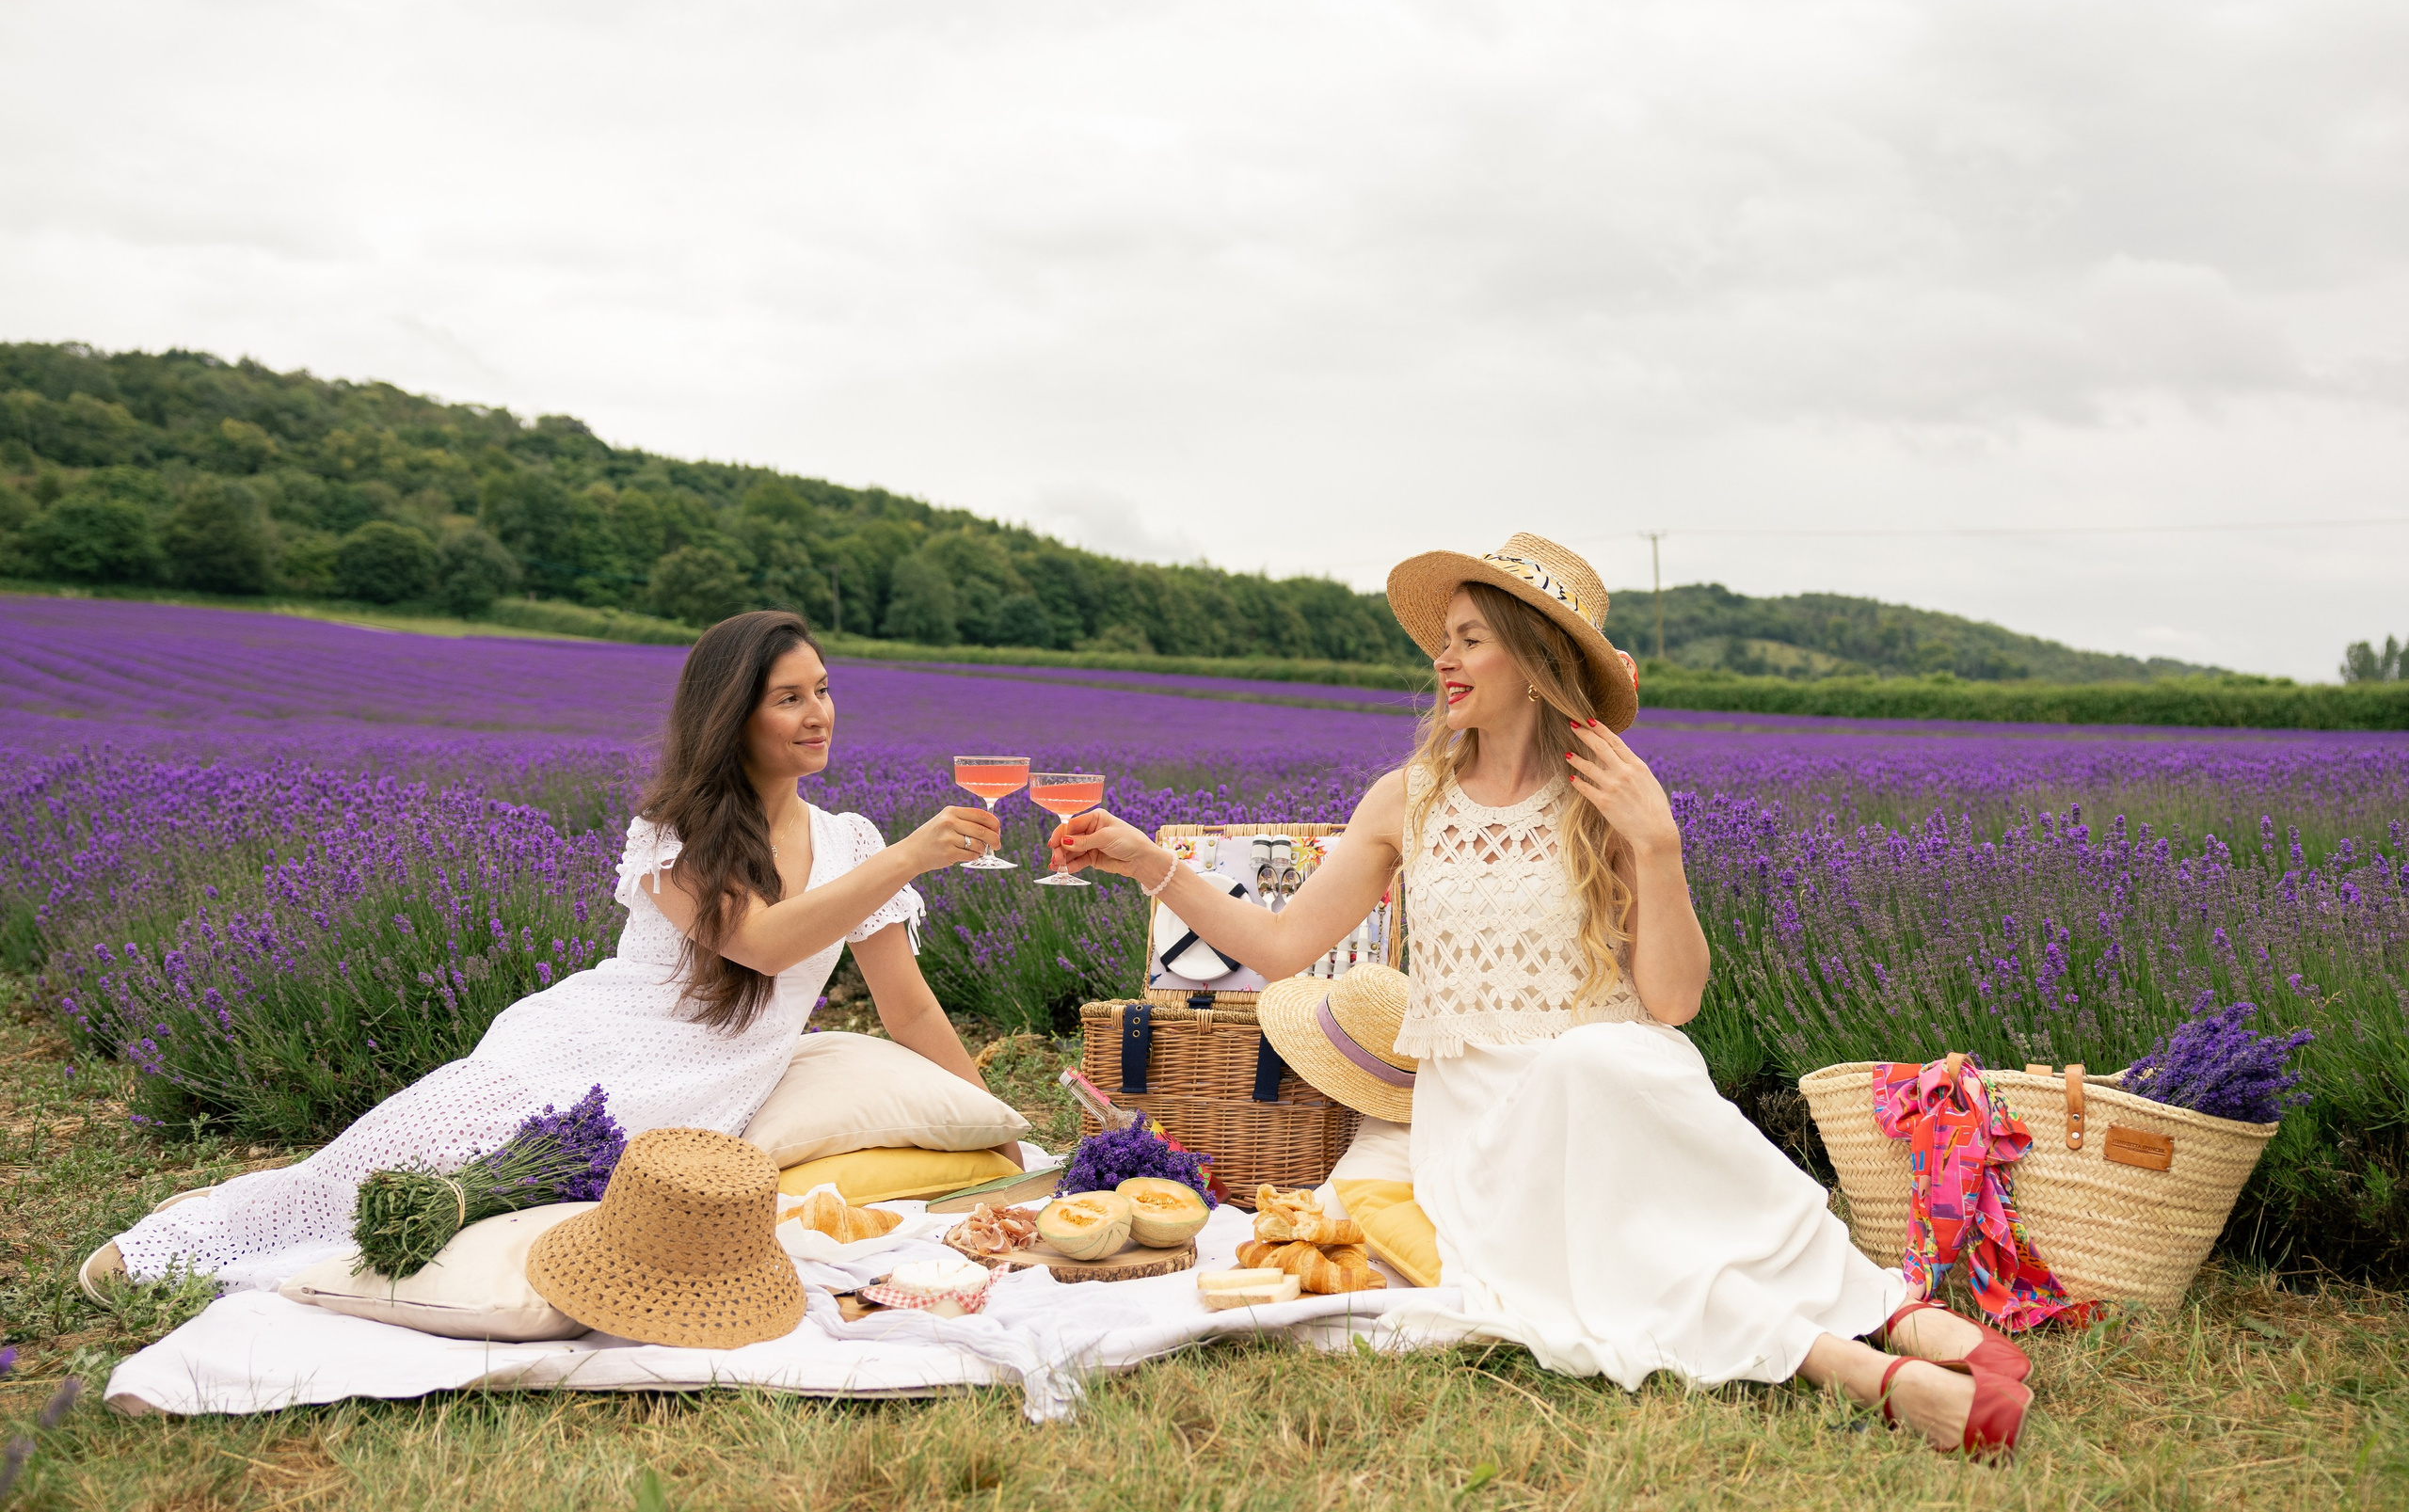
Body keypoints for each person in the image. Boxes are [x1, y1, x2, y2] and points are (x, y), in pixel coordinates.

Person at [1049, 533, 2034, 1456]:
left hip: (1621, 1077)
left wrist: (1658, 844)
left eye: (1470, 641)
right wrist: (1149, 864)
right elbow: (1281, 943)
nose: (1444, 661)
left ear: (1529, 658)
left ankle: (1883, 1311)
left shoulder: (1607, 797)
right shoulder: (1406, 800)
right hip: (1487, 1118)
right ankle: (1859, 1358)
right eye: (1442, 643)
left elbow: (1674, 998)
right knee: (1604, 1169)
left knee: (1600, 1069)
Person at [95, 611, 1011, 1295]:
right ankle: (194, 1237)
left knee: (499, 1206)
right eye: (789, 697)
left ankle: (273, 1217)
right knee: (423, 1145)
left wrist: (999, 1127)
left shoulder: (852, 842)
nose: (819, 713)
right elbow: (761, 946)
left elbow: (911, 1009)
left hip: (708, 1090)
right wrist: (911, 854)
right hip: (587, 1043)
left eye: (824, 689)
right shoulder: (675, 829)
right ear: (734, 715)